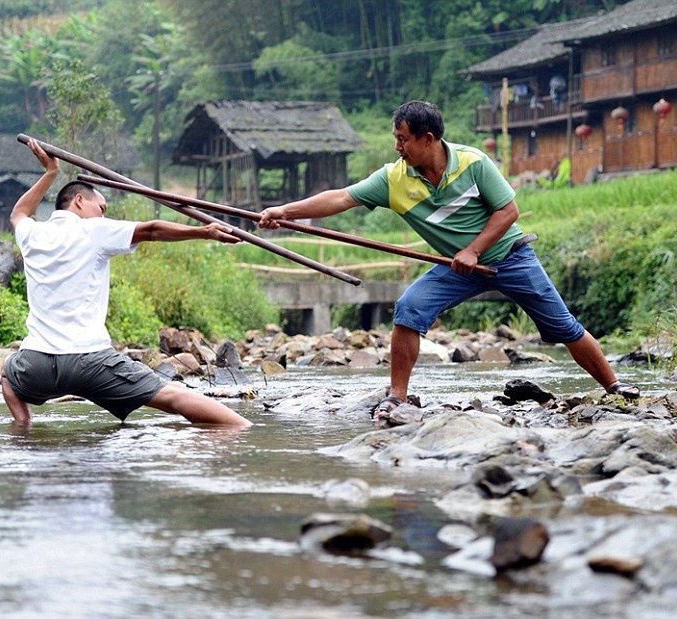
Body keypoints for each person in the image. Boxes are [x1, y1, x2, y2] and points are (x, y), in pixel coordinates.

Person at [258, 100, 640, 418]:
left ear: (428, 139)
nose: (397, 147)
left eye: (402, 139)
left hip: (509, 257)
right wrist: (285, 211)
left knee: (563, 326)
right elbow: (341, 197)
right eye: (396, 138)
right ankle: (398, 395)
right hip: (455, 269)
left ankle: (616, 388)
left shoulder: (473, 163)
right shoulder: (394, 178)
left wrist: (473, 249)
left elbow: (508, 211)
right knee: (409, 308)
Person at [2, 139, 251, 428]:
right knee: (173, 397)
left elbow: (18, 213)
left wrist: (50, 173)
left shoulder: (33, 235)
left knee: (8, 376)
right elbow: (153, 230)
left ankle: (23, 431)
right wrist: (205, 231)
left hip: (37, 364)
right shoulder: (93, 229)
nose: (103, 214)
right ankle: (243, 430)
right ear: (80, 201)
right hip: (88, 360)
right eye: (102, 207)